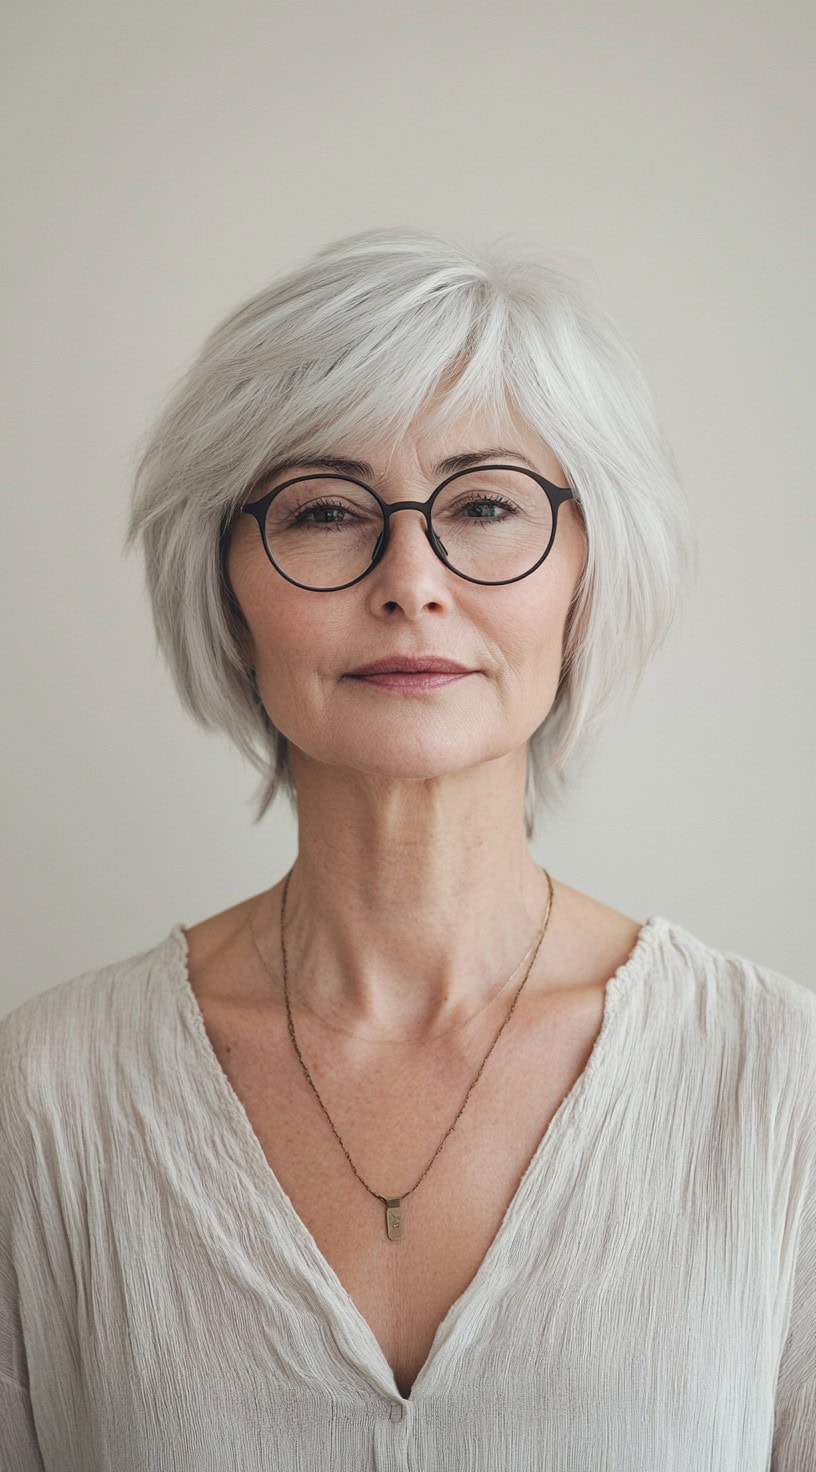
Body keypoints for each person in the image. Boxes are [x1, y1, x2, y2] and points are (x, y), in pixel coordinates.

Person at [1, 227, 813, 1471]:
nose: (412, 579)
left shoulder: (780, 1088)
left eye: (484, 504)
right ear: (223, 583)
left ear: (588, 575)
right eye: (327, 511)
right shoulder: (46, 1100)